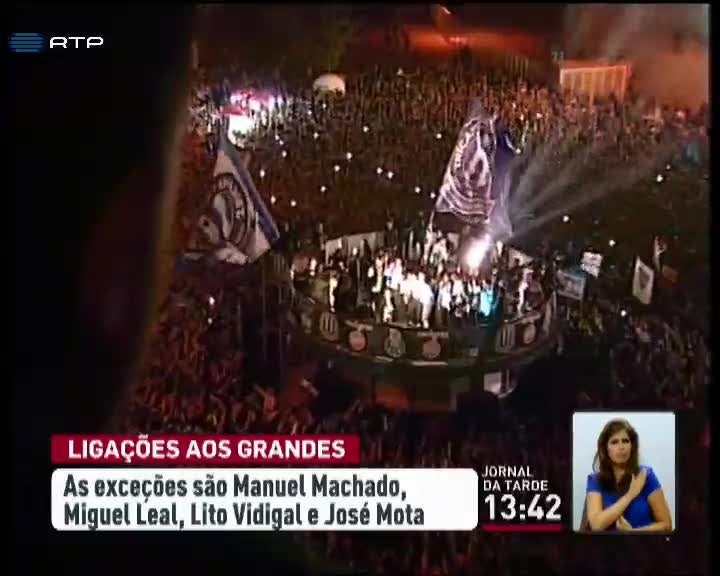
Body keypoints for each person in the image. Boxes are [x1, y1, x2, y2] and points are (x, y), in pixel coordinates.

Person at [584, 419, 673, 532]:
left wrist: (632, 533)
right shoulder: (595, 480)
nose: (621, 447)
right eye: (614, 442)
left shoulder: (645, 475)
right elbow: (596, 525)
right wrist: (631, 494)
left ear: (632, 446)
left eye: (625, 441)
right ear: (606, 449)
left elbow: (666, 525)